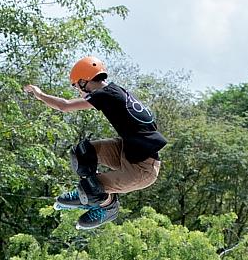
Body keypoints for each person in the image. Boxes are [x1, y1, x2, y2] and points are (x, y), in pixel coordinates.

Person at [22, 56, 167, 229]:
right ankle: (94, 193)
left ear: (84, 82)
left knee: (90, 188)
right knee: (83, 152)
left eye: (76, 86)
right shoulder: (114, 92)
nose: (78, 91)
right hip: (126, 151)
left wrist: (39, 94)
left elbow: (65, 106)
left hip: (142, 170)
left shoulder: (106, 95)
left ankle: (106, 205)